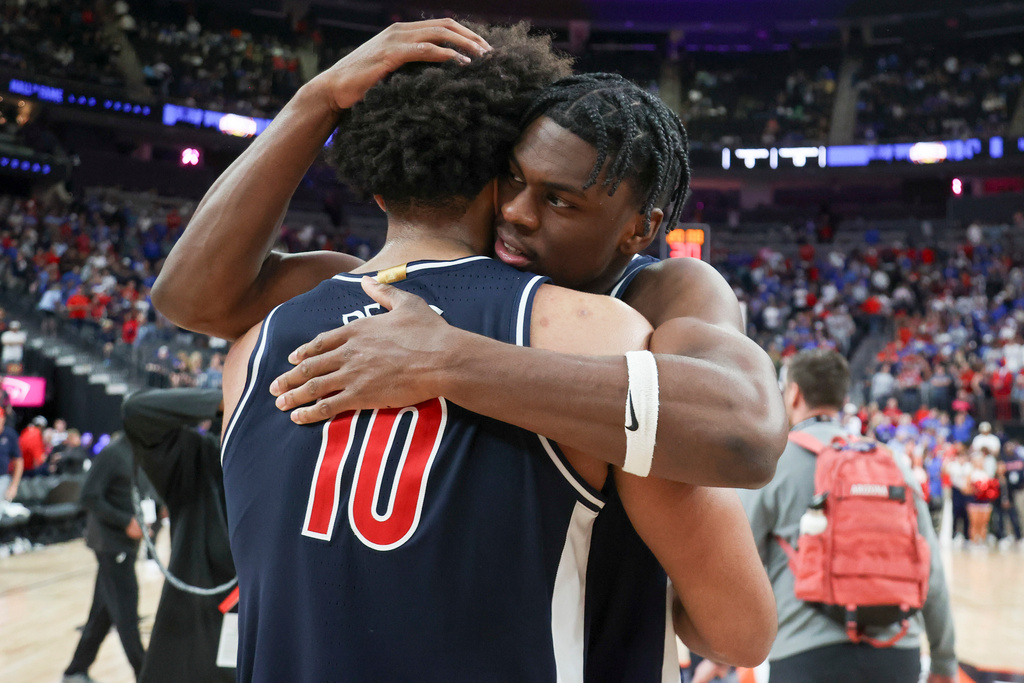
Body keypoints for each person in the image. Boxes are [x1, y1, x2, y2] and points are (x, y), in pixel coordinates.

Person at [210, 21, 773, 682]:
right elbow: (740, 628)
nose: (520, 212)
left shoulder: (259, 341)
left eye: (560, 198)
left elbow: (748, 428)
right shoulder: (611, 339)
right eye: (515, 180)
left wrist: (447, 358)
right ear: (493, 167)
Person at [737, 349, 957, 683]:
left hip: (805, 655)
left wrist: (721, 651)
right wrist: (943, 661)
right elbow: (932, 572)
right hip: (897, 655)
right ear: (843, 397)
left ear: (793, 392)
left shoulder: (770, 464)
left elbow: (735, 564)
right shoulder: (891, 462)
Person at [122, 387, 236, 683]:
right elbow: (137, 410)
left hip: (269, 629)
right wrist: (231, 395)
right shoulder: (200, 459)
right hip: (195, 631)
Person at [63, 434, 147, 683]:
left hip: (126, 546)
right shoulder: (113, 452)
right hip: (111, 545)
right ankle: (146, 674)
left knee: (102, 612)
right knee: (127, 614)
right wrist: (125, 521)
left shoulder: (141, 452)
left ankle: (75, 671)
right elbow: (88, 495)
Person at [0, 409, 23, 515]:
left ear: (3, 419)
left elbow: (18, 461)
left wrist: (14, 485)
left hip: (2, 478)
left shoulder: (9, 434)